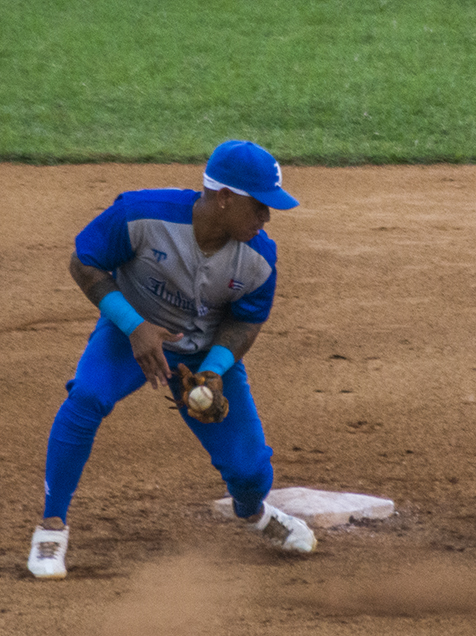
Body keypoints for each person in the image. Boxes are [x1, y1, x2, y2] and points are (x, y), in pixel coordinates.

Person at [27, 140, 317, 580]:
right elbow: (84, 261)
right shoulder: (142, 216)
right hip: (129, 333)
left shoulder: (260, 259)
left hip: (204, 354)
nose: (266, 218)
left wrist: (214, 371)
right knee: (86, 397)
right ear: (224, 198)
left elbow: (244, 322)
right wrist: (134, 325)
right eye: (259, 206)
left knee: (251, 470)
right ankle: (51, 526)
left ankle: (253, 512)